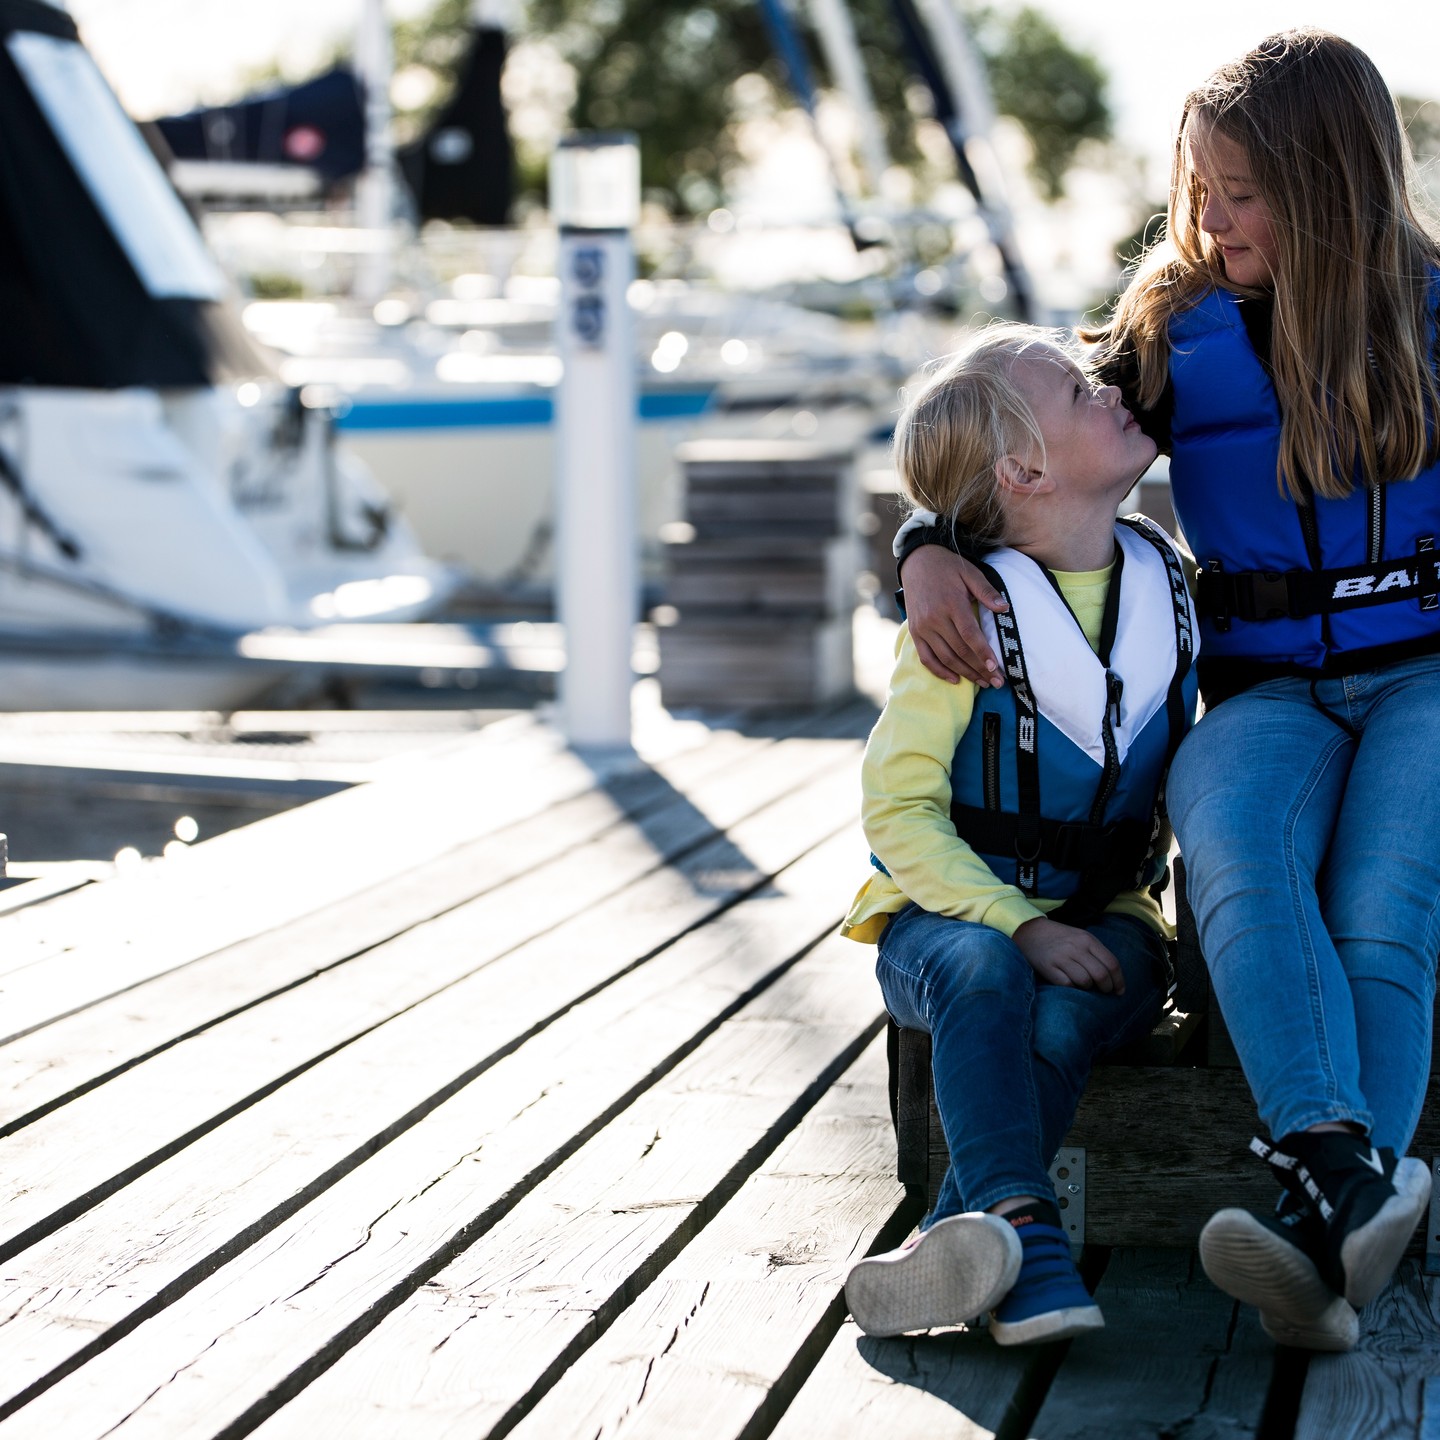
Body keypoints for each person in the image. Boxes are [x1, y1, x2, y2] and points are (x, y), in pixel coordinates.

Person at [893, 29, 1438, 1353]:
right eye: (1200, 187)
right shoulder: (1172, 323)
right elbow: (1011, 442)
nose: (1211, 218)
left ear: (1330, 189)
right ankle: (1340, 1177)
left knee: (1382, 903)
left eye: (1242, 193)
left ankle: (1325, 1220)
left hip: (1427, 680)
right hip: (1265, 692)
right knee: (1233, 842)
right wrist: (921, 547)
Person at [841, 323, 1197, 1342]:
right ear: (1024, 472)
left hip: (1113, 914)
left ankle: (955, 1242)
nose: (1112, 390)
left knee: (1067, 1018)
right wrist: (1017, 923)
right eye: (1082, 392)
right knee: (988, 971)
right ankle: (1031, 1245)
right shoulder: (960, 621)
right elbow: (897, 812)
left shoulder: (1171, 587)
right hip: (943, 924)